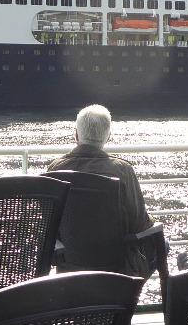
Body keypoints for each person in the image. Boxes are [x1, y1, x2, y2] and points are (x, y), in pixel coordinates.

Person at [46, 104, 153, 275]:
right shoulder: (122, 170)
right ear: (108, 136)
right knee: (163, 245)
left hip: (69, 269)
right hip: (116, 270)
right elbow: (140, 224)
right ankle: (135, 292)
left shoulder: (55, 169)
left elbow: (49, 222)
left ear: (76, 135)